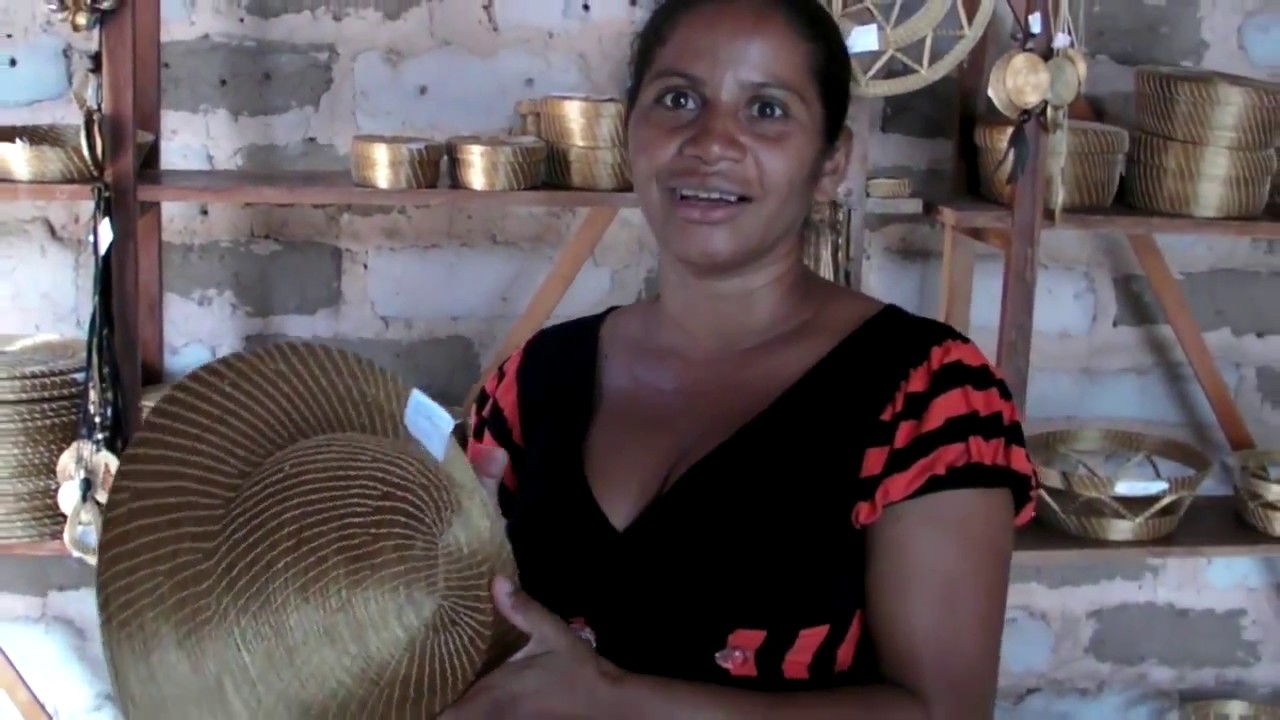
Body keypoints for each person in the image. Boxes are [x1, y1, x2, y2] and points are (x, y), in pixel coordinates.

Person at [443, 0, 1036, 717]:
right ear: (630, 133)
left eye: (767, 109)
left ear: (832, 161)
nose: (711, 141)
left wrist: (616, 698)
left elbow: (945, 712)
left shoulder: (929, 397)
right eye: (679, 100)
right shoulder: (531, 383)